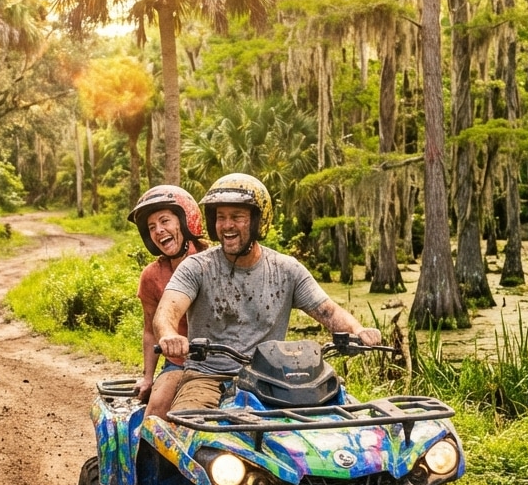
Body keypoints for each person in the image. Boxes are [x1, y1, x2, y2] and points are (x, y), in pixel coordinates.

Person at [153, 173, 381, 414]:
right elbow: (167, 311)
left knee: (343, 417)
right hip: (209, 378)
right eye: (220, 217)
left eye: (237, 217)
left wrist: (358, 331)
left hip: (276, 380)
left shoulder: (286, 269)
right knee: (187, 424)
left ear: (257, 222)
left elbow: (328, 310)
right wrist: (169, 335)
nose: (227, 225)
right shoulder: (197, 267)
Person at [128, 185, 208, 418]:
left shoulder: (215, 262)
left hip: (225, 363)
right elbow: (150, 330)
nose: (159, 231)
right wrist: (147, 377)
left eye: (165, 221)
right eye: (152, 227)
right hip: (179, 363)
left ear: (185, 221)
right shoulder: (152, 276)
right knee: (155, 414)